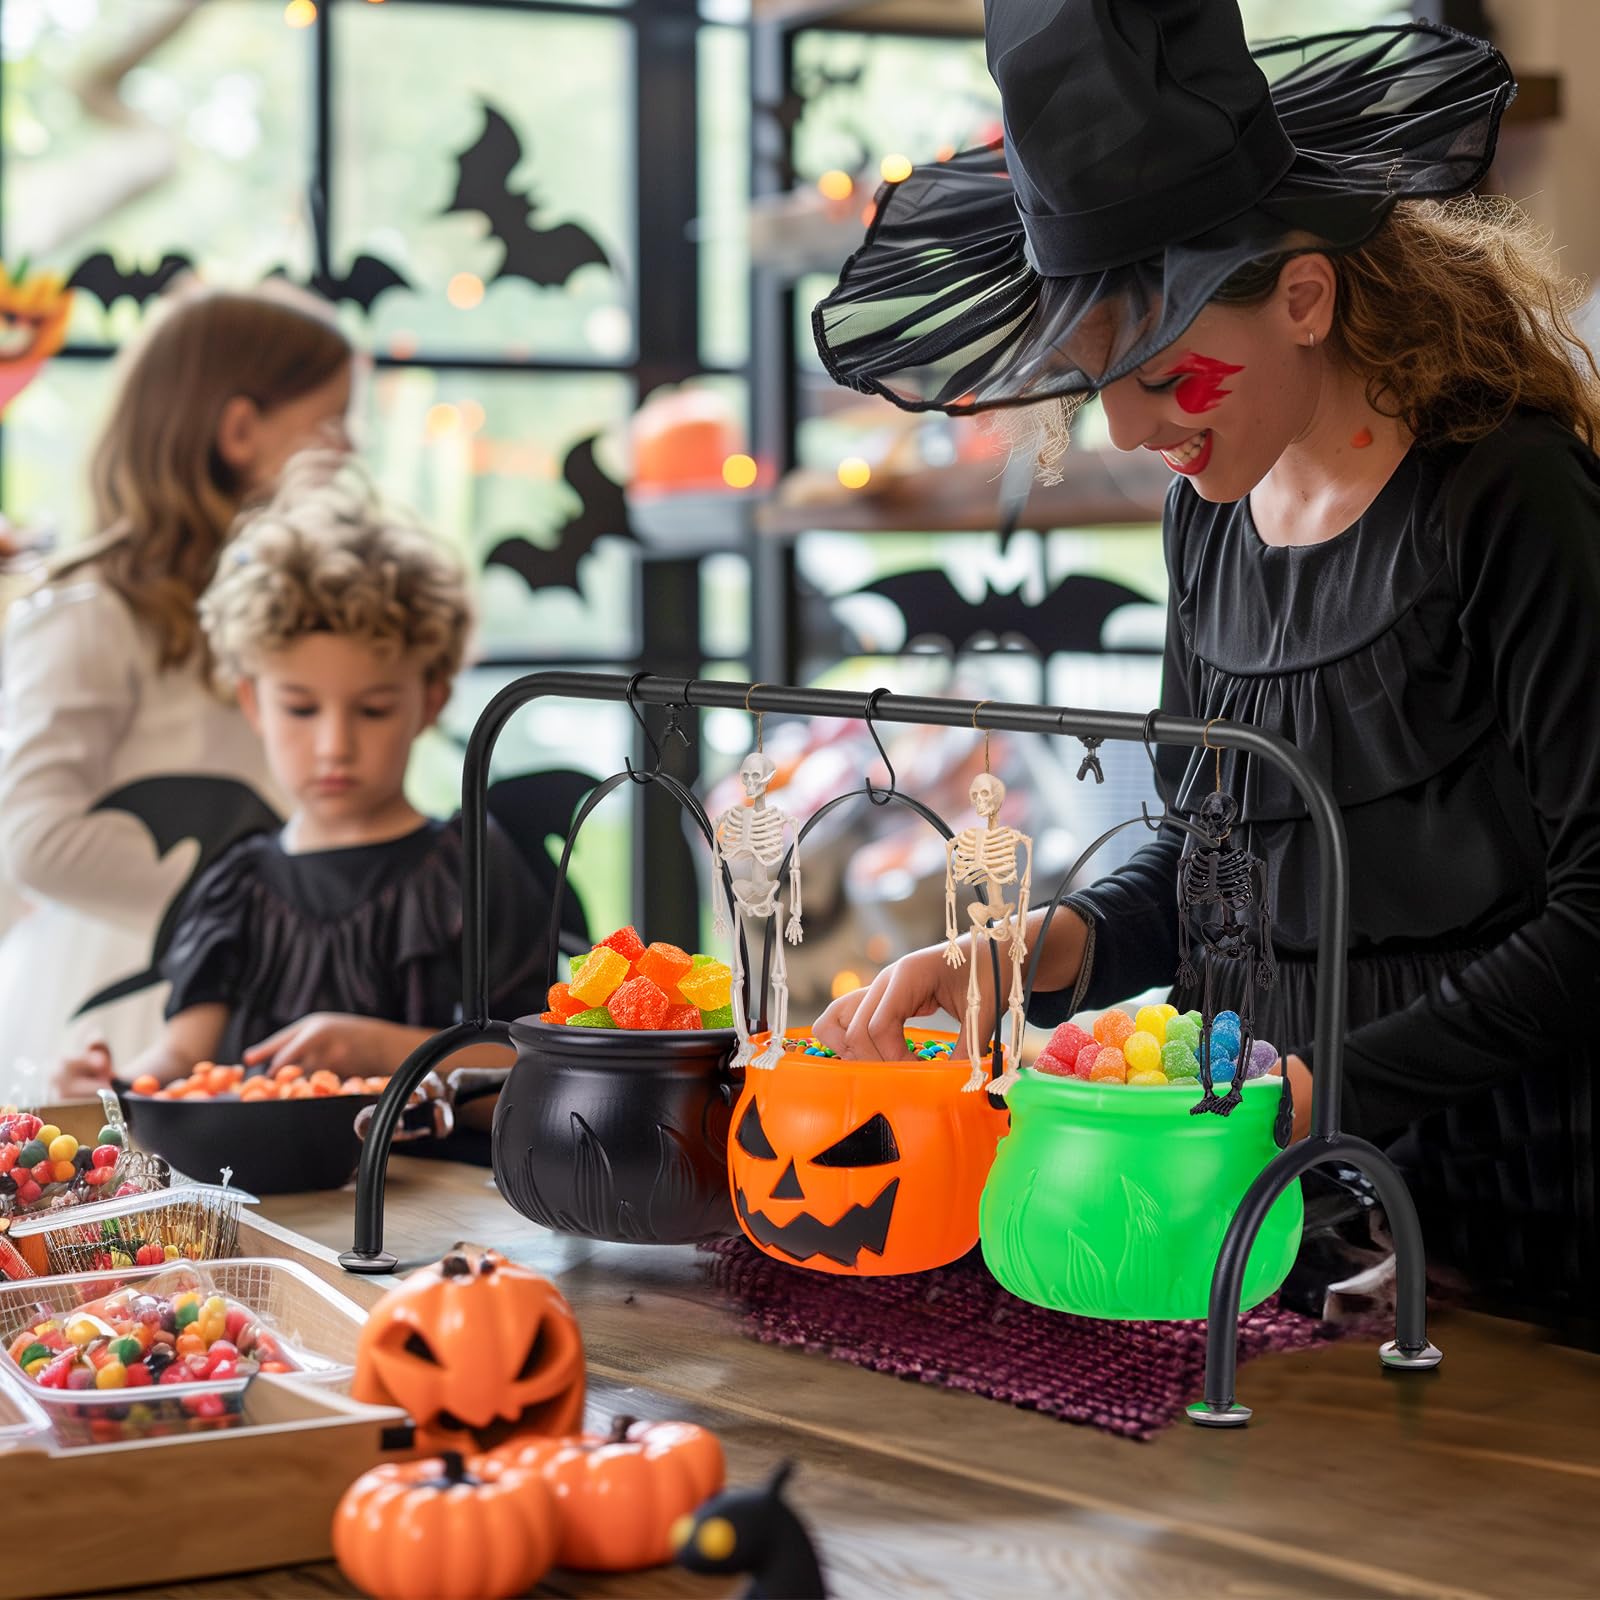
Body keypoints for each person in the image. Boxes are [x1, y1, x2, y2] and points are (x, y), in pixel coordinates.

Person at [813, 3, 1600, 1328]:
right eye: (1093, 383)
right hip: (1294, 1227)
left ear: (1305, 296)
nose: (1125, 430)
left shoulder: (1511, 501)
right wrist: (1030, 951)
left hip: (1543, 1249)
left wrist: (1320, 1090)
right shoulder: (1212, 520)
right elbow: (1212, 858)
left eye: (1167, 377)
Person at [57, 454, 551, 1101]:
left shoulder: (470, 871)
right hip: (270, 1200)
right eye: (300, 708)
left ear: (429, 701)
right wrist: (107, 1086)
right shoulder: (237, 886)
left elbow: (535, 1068)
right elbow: (180, 1059)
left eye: (373, 709)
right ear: (253, 703)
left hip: (441, 1196)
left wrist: (384, 1049)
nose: (334, 746)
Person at [0, 285, 354, 1093]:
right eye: (331, 422)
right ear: (238, 432)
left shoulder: (288, 604)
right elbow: (35, 841)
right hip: (130, 996)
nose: (349, 447)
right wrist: (258, 904)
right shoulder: (92, 612)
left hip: (272, 986)